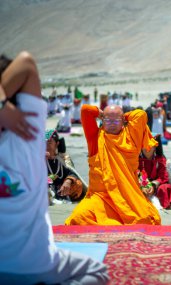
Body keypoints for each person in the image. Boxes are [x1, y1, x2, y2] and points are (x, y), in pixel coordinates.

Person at [0, 51, 108, 284]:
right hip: (33, 263)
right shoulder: (27, 133)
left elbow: (68, 172)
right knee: (98, 273)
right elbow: (27, 62)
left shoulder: (48, 149)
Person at [65, 104, 161, 225]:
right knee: (78, 218)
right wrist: (101, 114)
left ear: (123, 121)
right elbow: (85, 110)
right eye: (107, 120)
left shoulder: (131, 137)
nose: (111, 123)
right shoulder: (95, 138)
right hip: (100, 198)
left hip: (128, 197)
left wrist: (122, 116)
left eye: (116, 120)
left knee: (144, 220)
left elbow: (141, 115)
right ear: (102, 120)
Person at [45, 129, 86, 204]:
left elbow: (72, 172)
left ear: (57, 144)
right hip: (45, 187)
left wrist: (68, 181)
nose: (46, 145)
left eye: (49, 142)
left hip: (61, 189)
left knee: (77, 184)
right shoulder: (38, 157)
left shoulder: (64, 158)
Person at [138, 134, 171, 209]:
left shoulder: (160, 159)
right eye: (145, 146)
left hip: (156, 186)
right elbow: (134, 173)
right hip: (141, 184)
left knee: (164, 188)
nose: (147, 149)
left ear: (155, 147)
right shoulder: (136, 159)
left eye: (150, 146)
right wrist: (143, 185)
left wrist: (153, 186)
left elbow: (163, 177)